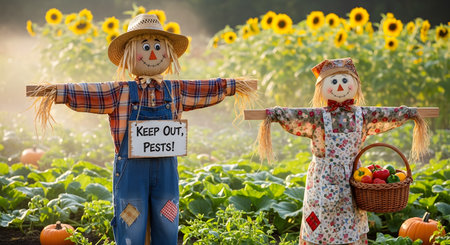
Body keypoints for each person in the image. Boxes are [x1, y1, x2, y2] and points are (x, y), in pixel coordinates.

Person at [32, 14, 256, 245]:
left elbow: (206, 88)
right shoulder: (120, 92)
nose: (152, 54)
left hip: (166, 173)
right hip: (132, 174)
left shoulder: (176, 90)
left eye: (158, 47)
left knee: (167, 217)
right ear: (130, 56)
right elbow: (89, 92)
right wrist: (56, 92)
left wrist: (233, 85)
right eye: (146, 47)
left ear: (168, 53)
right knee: (131, 220)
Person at [257, 58, 428, 244]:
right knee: (320, 220)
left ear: (355, 84)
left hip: (354, 178)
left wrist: (409, 112)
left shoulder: (363, 115)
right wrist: (274, 114)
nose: (340, 87)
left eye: (345, 81)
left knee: (351, 220)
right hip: (323, 178)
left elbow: (387, 113)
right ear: (322, 88)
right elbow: (294, 114)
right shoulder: (317, 117)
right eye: (334, 81)